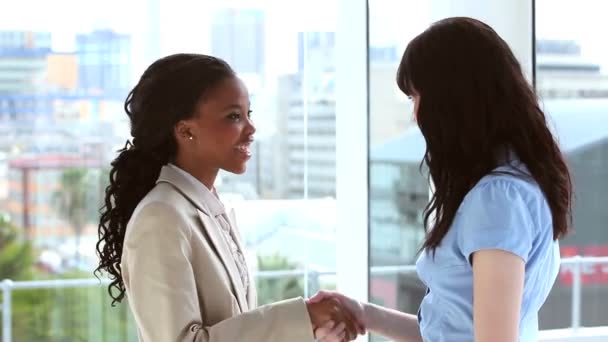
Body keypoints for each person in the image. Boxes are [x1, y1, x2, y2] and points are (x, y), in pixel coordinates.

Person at [312, 17, 573, 342]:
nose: (415, 114)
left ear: (450, 101)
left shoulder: (497, 198)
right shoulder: (513, 185)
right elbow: (446, 331)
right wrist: (365, 313)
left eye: (415, 98)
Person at [94, 53, 363, 342]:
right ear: (185, 130)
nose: (251, 129)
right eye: (234, 116)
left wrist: (310, 331)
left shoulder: (212, 209)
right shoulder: (160, 217)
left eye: (249, 114)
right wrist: (303, 317)